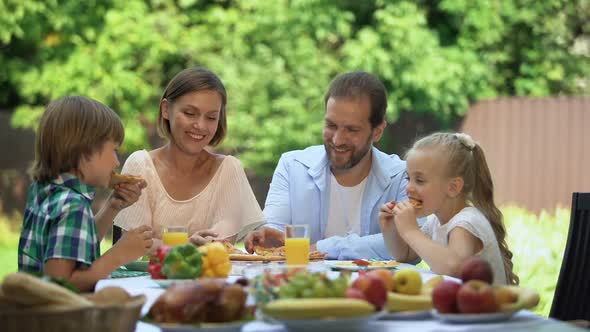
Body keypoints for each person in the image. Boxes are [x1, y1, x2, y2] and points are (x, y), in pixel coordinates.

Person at [245, 71, 414, 260]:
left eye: (351, 130)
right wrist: (269, 238)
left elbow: (412, 245)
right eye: (331, 126)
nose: (337, 139)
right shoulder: (292, 166)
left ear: (377, 132)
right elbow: (275, 227)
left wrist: (324, 247)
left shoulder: (403, 177)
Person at [114, 67, 265, 248]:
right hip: (148, 277)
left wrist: (165, 246)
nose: (200, 125)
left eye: (211, 117)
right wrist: (186, 246)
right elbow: (132, 244)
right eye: (189, 113)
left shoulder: (229, 168)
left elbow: (220, 243)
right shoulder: (140, 165)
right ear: (166, 110)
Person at [18, 96, 152, 291]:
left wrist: (113, 205)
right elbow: (59, 286)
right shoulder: (73, 205)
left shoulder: (45, 191)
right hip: (61, 319)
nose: (116, 162)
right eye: (113, 150)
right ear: (86, 152)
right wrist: (119, 254)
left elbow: (76, 247)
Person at [379, 132, 518, 285]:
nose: (409, 188)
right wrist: (390, 228)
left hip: (486, 307)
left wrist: (410, 231)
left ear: (453, 187)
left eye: (419, 180)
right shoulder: (436, 222)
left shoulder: (466, 223)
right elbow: (404, 255)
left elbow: (453, 267)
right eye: (408, 178)